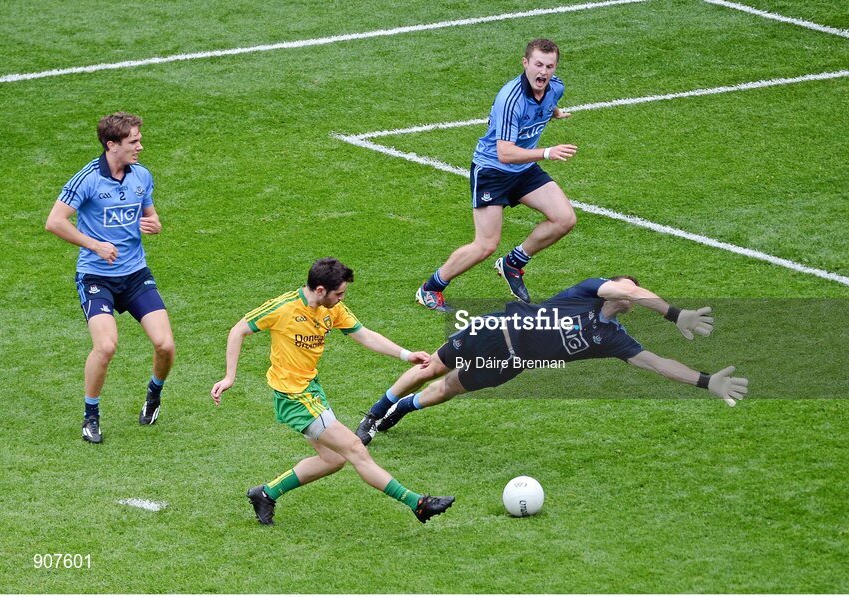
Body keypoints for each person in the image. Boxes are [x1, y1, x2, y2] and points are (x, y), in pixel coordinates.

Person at [357, 276, 748, 445]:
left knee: (448, 388)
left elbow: (659, 364)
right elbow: (631, 290)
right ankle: (373, 415)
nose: (631, 293)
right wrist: (674, 314)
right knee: (432, 368)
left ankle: (402, 409)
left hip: (512, 363)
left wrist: (706, 380)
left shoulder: (613, 339)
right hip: (495, 330)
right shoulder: (588, 291)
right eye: (627, 286)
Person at [210, 257, 455, 526]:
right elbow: (238, 330)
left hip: (311, 390)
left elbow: (364, 335)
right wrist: (229, 377)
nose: (341, 299)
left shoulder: (333, 309)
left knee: (334, 459)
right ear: (320, 290)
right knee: (355, 448)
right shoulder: (283, 307)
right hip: (294, 398)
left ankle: (265, 494)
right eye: (338, 294)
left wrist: (406, 355)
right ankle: (417, 503)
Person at [416, 38, 578, 311]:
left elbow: (548, 102)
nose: (543, 72)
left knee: (565, 219)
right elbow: (505, 153)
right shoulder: (510, 99)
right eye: (538, 64)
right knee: (486, 245)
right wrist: (547, 152)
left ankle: (513, 262)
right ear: (525, 63)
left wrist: (555, 113)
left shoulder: (555, 87)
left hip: (523, 169)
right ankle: (430, 288)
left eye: (549, 66)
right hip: (493, 171)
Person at [45, 112, 175, 444]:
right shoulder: (87, 179)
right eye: (134, 141)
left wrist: (155, 225)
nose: (140, 147)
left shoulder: (141, 176)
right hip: (96, 277)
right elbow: (55, 221)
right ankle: (91, 416)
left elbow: (151, 216)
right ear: (112, 145)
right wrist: (95, 245)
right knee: (105, 347)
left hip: (135, 275)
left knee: (165, 345)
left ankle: (154, 395)